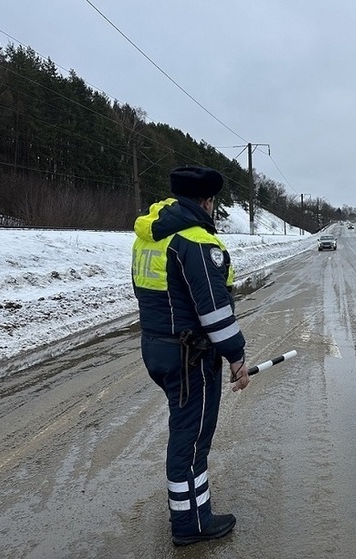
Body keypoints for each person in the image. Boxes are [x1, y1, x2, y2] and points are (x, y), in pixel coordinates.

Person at [132, 166, 250, 546]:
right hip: (190, 356)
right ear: (207, 201)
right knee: (192, 438)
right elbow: (214, 310)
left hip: (156, 346)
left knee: (185, 431)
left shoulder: (149, 238)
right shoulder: (196, 242)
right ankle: (191, 524)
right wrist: (236, 356)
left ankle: (192, 512)